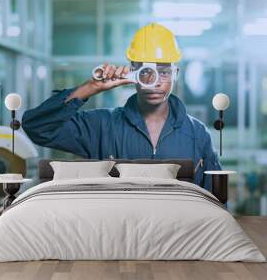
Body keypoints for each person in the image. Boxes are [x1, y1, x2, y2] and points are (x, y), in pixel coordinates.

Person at [22, 23, 221, 191]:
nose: (155, 82)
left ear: (175, 74)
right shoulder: (102, 126)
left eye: (164, 73)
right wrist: (91, 87)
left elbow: (215, 199)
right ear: (132, 73)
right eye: (146, 72)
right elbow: (38, 127)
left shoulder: (197, 134)